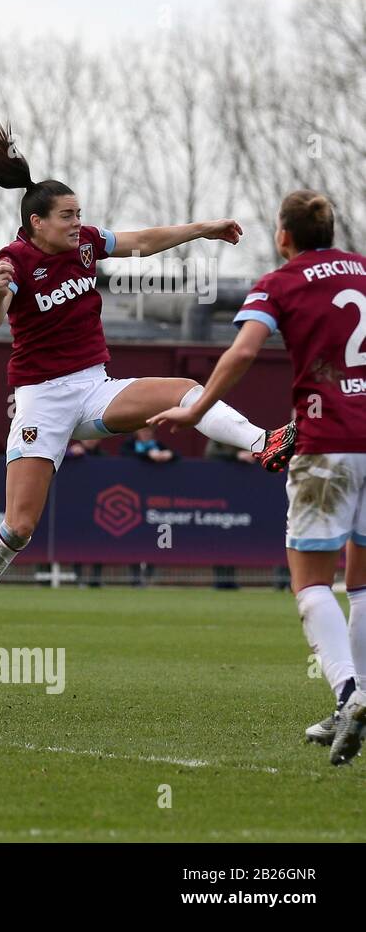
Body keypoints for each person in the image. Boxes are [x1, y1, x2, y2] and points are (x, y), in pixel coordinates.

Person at [0, 122, 295, 671]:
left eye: (79, 214)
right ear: (37, 221)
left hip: (94, 387)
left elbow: (143, 242)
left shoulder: (85, 246)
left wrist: (202, 229)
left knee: (183, 389)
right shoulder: (13, 256)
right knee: (20, 526)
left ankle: (264, 442)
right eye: (68, 215)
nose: (78, 223)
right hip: (40, 402)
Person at [148, 190, 365, 762]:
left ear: (284, 235)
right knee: (364, 582)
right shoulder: (364, 272)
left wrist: (196, 410)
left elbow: (242, 353)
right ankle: (359, 698)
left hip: (327, 443)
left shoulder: (281, 282)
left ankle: (349, 693)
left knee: (312, 582)